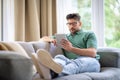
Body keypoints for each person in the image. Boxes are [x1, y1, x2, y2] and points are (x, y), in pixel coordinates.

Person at [36, 13, 100, 79]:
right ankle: (50, 70)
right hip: (70, 61)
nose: (71, 26)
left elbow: (92, 53)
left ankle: (50, 72)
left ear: (80, 23)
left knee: (77, 63)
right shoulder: (64, 37)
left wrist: (71, 49)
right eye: (69, 24)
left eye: (74, 23)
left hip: (91, 62)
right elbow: (42, 38)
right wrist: (51, 39)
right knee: (59, 57)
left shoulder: (89, 34)